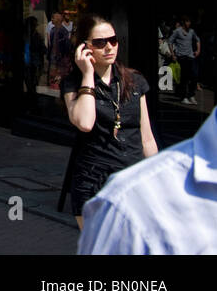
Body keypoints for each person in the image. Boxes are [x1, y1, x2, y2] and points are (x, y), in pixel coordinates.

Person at [61, 13, 157, 228]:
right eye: (100, 42)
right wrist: (87, 75)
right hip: (94, 182)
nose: (109, 47)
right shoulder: (73, 84)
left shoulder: (134, 82)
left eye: (113, 40)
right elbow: (84, 123)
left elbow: (147, 138)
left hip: (132, 180)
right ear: (85, 47)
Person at [78, 107, 217, 254]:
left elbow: (147, 138)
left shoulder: (136, 86)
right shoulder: (129, 208)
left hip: (130, 162)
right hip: (99, 169)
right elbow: (84, 122)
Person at [169, 17, 202, 104]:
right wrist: (173, 54)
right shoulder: (177, 31)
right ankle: (184, 97)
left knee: (194, 76)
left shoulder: (191, 31)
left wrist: (198, 50)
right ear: (183, 22)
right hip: (181, 57)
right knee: (184, 77)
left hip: (190, 56)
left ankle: (191, 95)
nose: (188, 23)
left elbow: (197, 40)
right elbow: (170, 42)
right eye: (187, 21)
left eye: (189, 21)